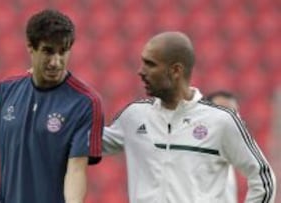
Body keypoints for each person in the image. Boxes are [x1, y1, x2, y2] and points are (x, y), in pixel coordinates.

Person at [0, 9, 103, 203]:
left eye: (63, 52)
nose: (56, 62)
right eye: (48, 51)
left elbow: (76, 169)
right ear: (30, 47)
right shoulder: (4, 92)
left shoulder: (85, 103)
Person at [102, 31, 276, 202]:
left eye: (150, 64)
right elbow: (88, 142)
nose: (141, 71)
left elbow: (262, 177)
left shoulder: (221, 121)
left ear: (176, 70)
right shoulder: (134, 116)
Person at [206, 90, 240, 203]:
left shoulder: (228, 156)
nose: (228, 119)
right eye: (221, 112)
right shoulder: (191, 155)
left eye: (233, 113)